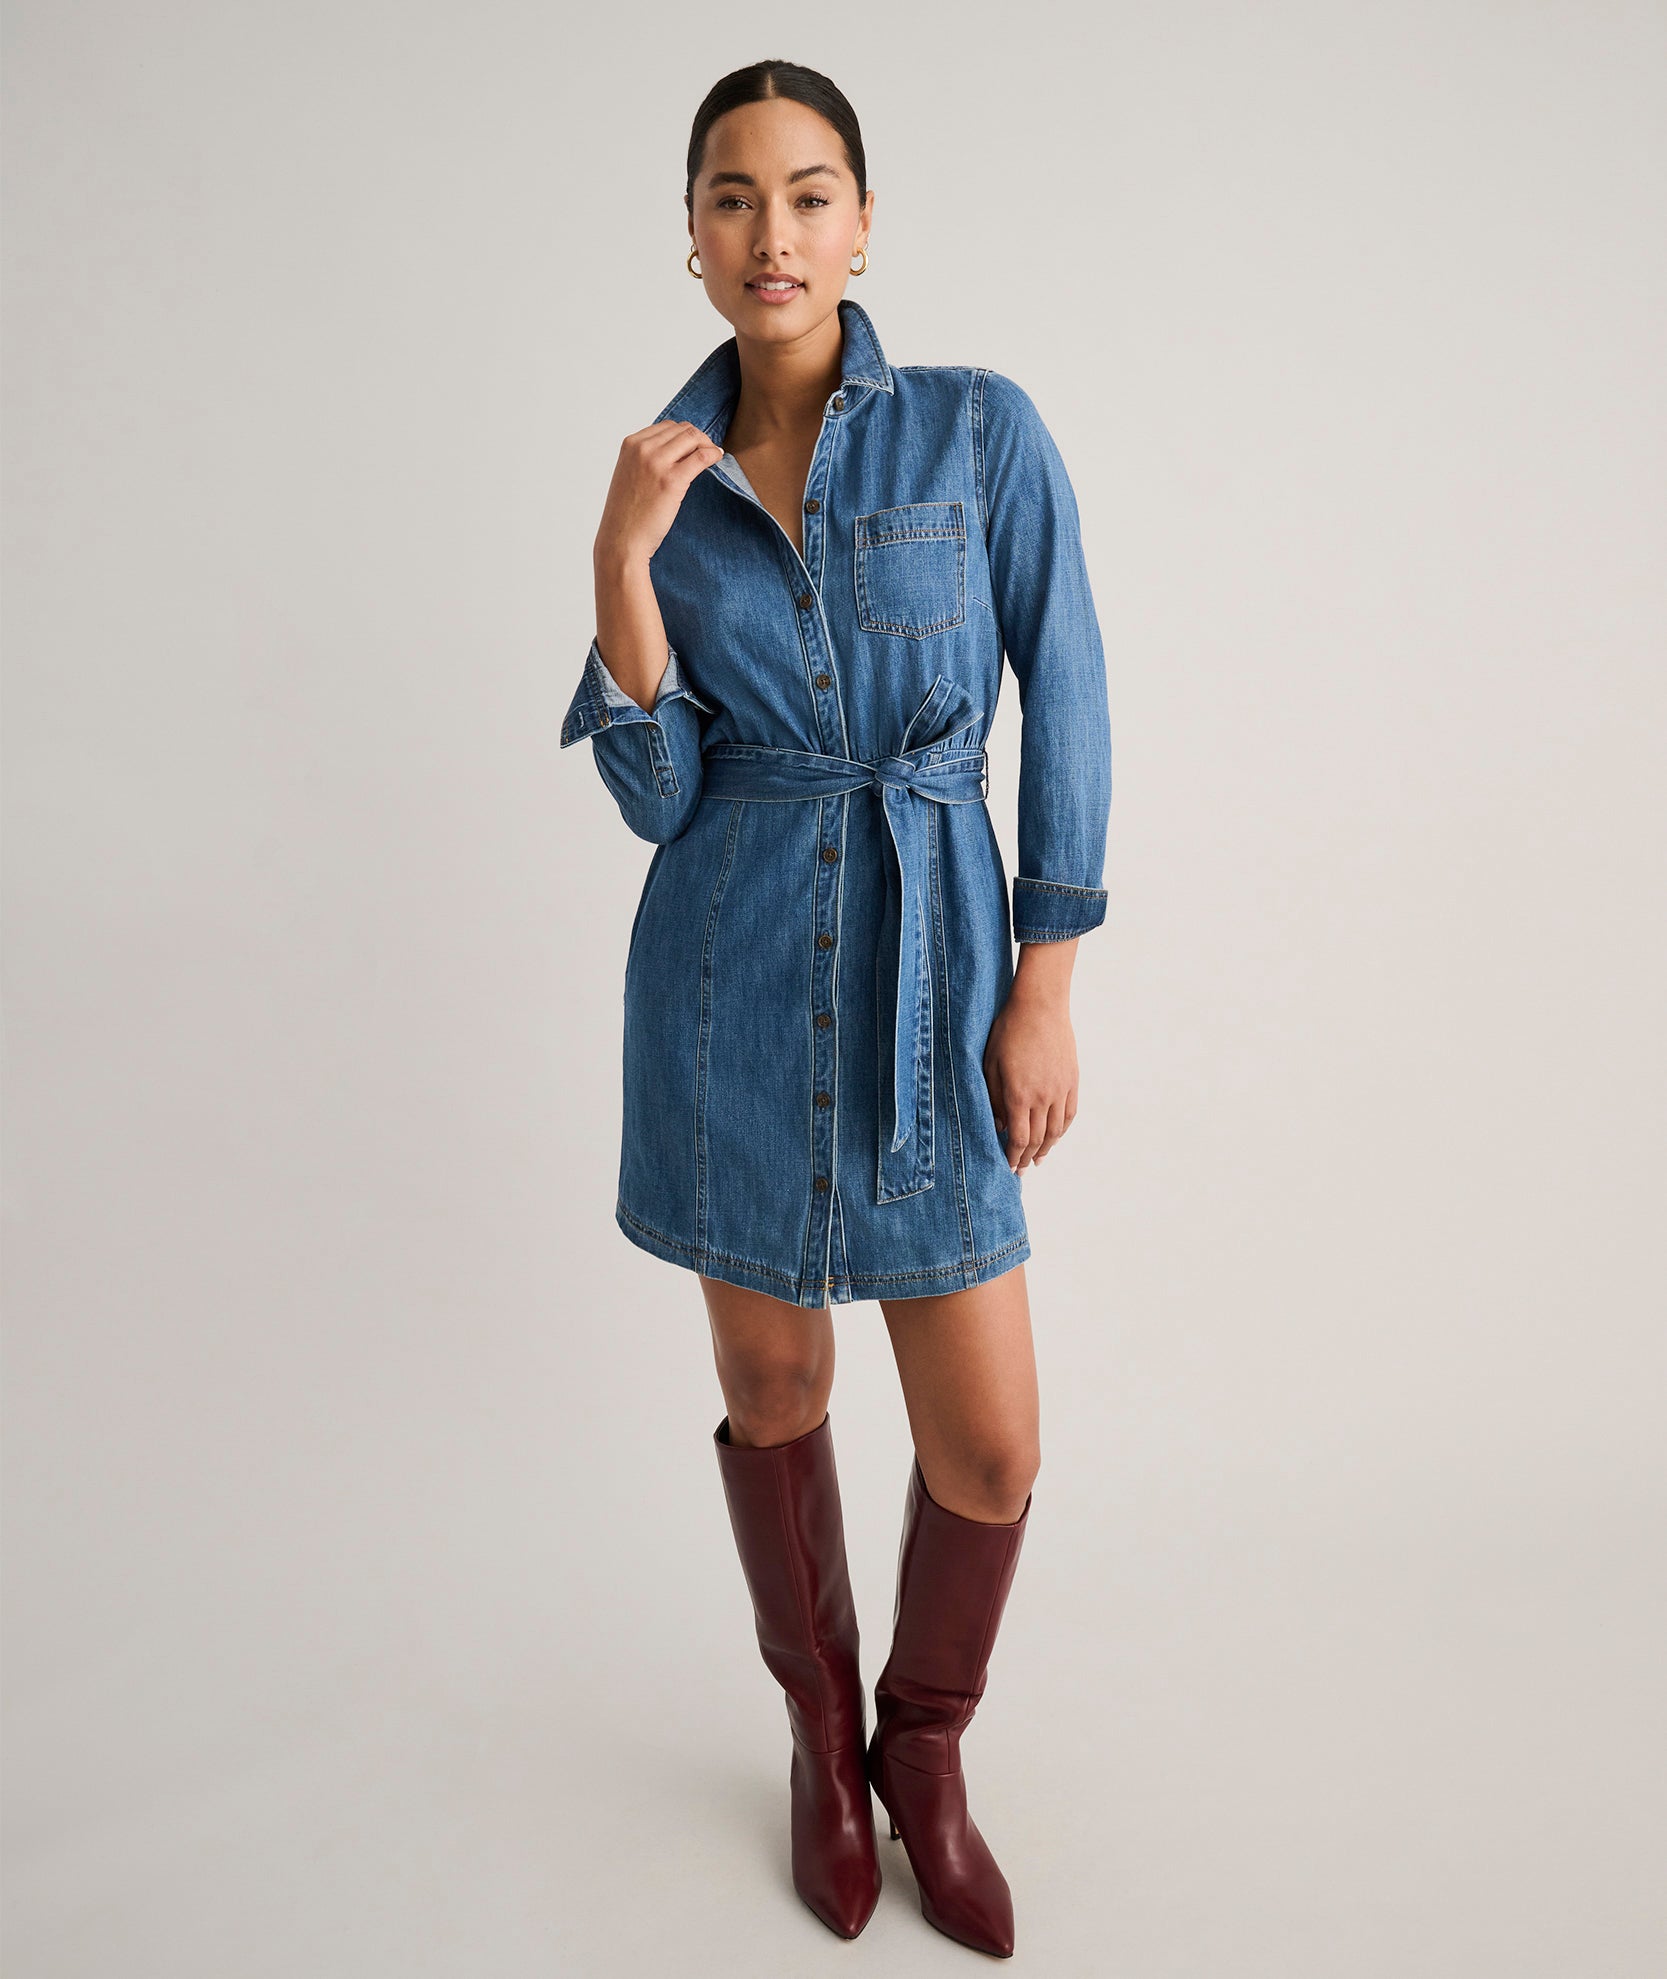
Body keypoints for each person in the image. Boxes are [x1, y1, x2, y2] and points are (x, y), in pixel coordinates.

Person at [560, 60, 1112, 1959]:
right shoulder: (663, 483)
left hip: (938, 979)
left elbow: (1071, 693)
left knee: (992, 1449)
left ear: (863, 225)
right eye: (733, 197)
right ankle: (818, 1741)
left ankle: (922, 1751)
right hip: (727, 983)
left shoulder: (978, 431)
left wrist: (1045, 984)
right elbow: (656, 797)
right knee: (776, 1391)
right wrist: (618, 561)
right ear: (693, 237)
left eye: (808, 195)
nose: (771, 232)